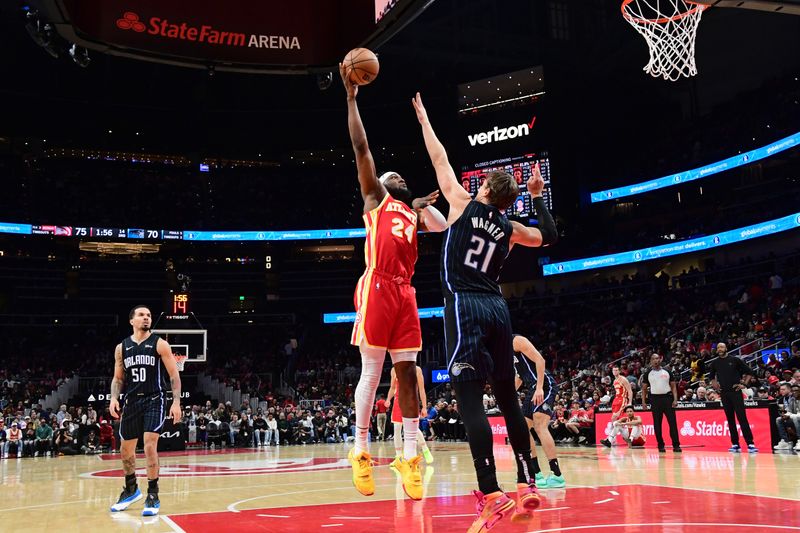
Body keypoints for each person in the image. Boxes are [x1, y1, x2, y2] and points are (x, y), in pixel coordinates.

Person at [412, 92, 558, 531]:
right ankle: (528, 479)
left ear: (487, 189)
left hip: (465, 303)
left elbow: (437, 155)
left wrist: (423, 118)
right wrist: (538, 195)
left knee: (469, 397)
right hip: (498, 307)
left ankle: (491, 492)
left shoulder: (461, 202)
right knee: (508, 398)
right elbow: (548, 236)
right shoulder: (511, 229)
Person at [340, 64, 448, 501]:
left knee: (408, 373)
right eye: (394, 178)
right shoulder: (376, 199)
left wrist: (420, 205)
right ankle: (361, 449)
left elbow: (441, 226)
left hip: (405, 291)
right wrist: (350, 99)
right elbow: (361, 146)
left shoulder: (414, 211)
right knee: (373, 369)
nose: (400, 178)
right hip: (378, 286)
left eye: (403, 178)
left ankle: (408, 455)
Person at [109, 305, 182, 516]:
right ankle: (131, 489)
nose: (146, 318)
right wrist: (114, 397)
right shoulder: (121, 347)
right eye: (141, 315)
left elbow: (174, 376)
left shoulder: (160, 344)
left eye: (149, 315)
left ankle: (153, 493)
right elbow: (118, 378)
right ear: (132, 320)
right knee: (126, 451)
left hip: (154, 399)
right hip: (131, 401)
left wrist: (175, 402)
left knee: (150, 445)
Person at [512, 335, 564, 488]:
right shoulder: (504, 351)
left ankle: (557, 475)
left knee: (540, 426)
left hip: (544, 385)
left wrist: (540, 387)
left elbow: (540, 360)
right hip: (532, 387)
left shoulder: (516, 340)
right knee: (522, 429)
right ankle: (536, 472)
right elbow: (520, 377)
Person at [707, 342, 758, 453]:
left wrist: (744, 384)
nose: (720, 349)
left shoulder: (735, 360)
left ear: (726, 348)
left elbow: (749, 372)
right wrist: (715, 386)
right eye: (718, 347)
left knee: (742, 418)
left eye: (722, 347)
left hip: (736, 392)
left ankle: (750, 443)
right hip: (724, 393)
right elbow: (711, 377)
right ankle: (735, 444)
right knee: (730, 419)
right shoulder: (715, 363)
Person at [386, 366, 434, 465]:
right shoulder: (394, 369)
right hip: (398, 401)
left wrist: (424, 407)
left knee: (414, 428)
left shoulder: (417, 369)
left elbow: (421, 390)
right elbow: (393, 387)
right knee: (396, 428)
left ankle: (425, 449)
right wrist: (388, 399)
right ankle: (398, 456)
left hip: (411, 401)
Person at [641, 354, 681, 453]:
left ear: (660, 359)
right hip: (655, 400)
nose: (656, 360)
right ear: (651, 361)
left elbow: (673, 387)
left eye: (657, 358)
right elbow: (644, 389)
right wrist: (644, 402)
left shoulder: (667, 371)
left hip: (667, 398)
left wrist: (675, 399)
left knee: (672, 423)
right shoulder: (647, 373)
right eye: (654, 359)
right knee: (657, 424)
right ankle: (660, 445)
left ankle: (676, 445)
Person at [601, 365, 634, 447]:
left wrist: (629, 402)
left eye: (616, 370)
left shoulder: (623, 379)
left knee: (618, 422)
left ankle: (610, 439)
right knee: (614, 420)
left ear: (619, 371)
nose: (615, 372)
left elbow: (630, 391)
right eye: (613, 370)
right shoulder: (614, 380)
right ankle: (612, 440)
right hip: (616, 400)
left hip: (623, 400)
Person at [774, 383, 800, 450]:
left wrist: (790, 415)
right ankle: (785, 441)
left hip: (796, 418)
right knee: (779, 419)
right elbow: (789, 410)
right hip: (794, 418)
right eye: (793, 391)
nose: (794, 392)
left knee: (794, 417)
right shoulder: (792, 399)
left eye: (796, 391)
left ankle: (799, 440)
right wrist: (785, 415)